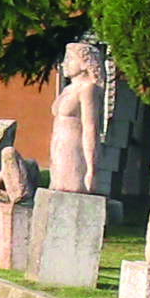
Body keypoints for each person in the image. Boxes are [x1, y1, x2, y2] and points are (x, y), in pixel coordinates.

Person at [48, 40, 105, 194]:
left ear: (84, 64)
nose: (64, 64)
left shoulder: (88, 89)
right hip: (59, 147)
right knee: (58, 190)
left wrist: (91, 168)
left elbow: (90, 128)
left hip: (75, 150)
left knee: (72, 191)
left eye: (70, 59)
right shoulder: (67, 89)